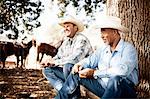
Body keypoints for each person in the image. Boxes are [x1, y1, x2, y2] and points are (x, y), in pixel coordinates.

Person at [55, 16, 139, 99]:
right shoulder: (103, 49)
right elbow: (90, 61)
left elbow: (122, 71)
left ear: (114, 32)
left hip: (123, 92)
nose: (101, 36)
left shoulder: (128, 49)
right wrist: (80, 64)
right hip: (103, 88)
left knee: (116, 79)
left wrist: (95, 73)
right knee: (76, 73)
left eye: (103, 31)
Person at [41, 15, 93, 92]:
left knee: (68, 66)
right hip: (70, 73)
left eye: (68, 26)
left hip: (83, 74)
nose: (65, 29)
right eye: (64, 26)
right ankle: (65, 92)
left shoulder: (81, 39)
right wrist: (48, 62)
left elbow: (75, 59)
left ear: (75, 28)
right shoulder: (66, 41)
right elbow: (58, 56)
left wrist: (55, 62)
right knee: (47, 70)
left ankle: (70, 94)